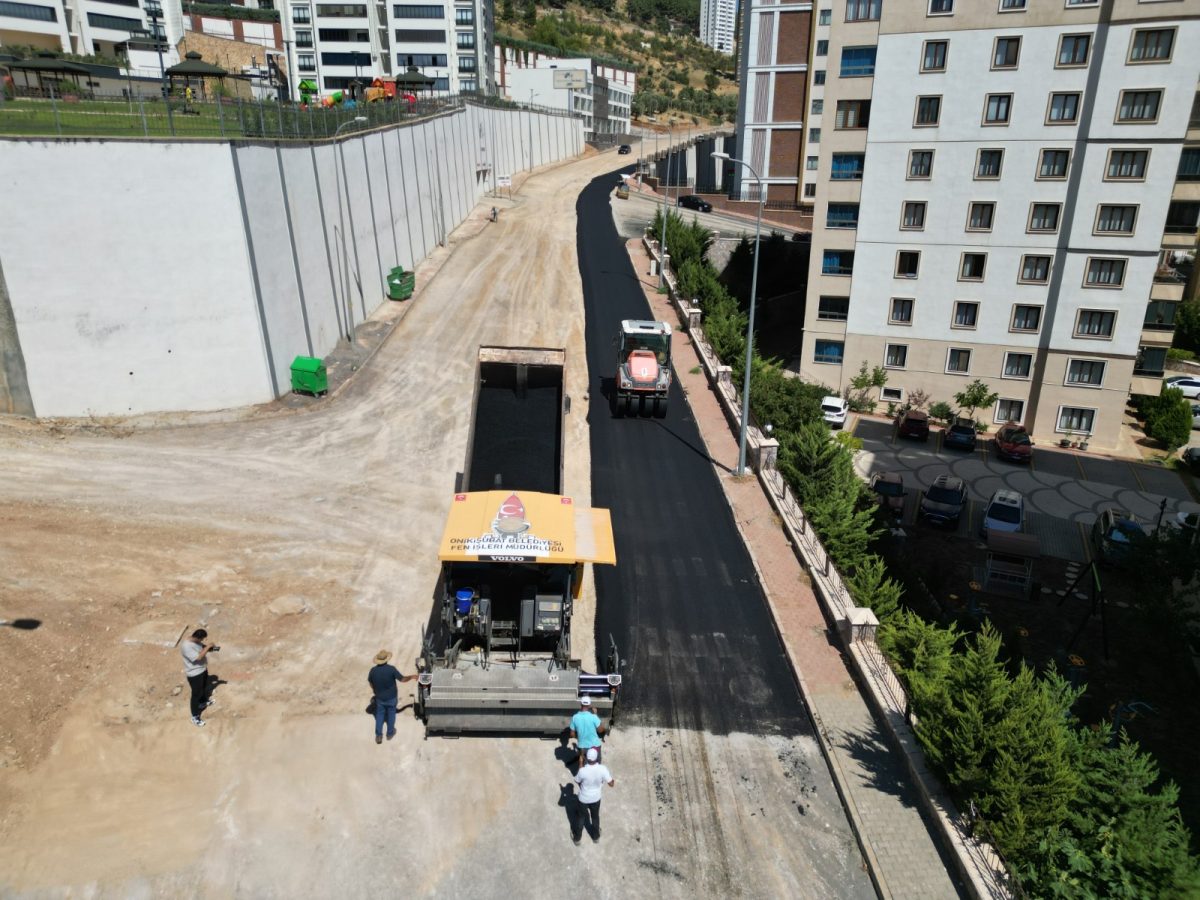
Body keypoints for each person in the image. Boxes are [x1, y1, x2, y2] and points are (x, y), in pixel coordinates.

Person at [368, 650, 416, 744]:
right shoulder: (391, 669)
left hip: (380, 698)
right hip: (391, 697)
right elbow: (402, 679)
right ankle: (390, 733)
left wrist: (375, 690)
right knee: (391, 714)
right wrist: (411, 677)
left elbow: (370, 682)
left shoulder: (373, 671)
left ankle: (378, 735)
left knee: (380, 715)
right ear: (386, 659)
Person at [572, 747, 614, 845]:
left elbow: (577, 780)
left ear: (586, 758)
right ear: (597, 757)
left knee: (581, 818)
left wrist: (580, 763)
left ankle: (577, 839)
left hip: (583, 799)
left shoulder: (582, 771)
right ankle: (596, 837)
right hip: (596, 798)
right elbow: (611, 784)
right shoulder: (603, 769)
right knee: (595, 817)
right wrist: (610, 780)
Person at [181, 628, 218, 727]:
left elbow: (202, 648)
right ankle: (195, 716)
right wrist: (208, 647)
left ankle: (203, 702)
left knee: (203, 687)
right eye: (202, 639)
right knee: (195, 695)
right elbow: (198, 657)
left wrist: (213, 648)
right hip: (194, 674)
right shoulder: (186, 646)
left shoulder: (196, 641)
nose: (202, 641)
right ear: (198, 637)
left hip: (202, 670)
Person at [569, 696, 606, 768]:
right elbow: (600, 730)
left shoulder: (575, 717)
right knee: (597, 766)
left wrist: (579, 737)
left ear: (581, 704)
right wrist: (595, 715)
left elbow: (572, 734)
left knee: (585, 767)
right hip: (595, 745)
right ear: (589, 705)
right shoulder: (593, 717)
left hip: (583, 746)